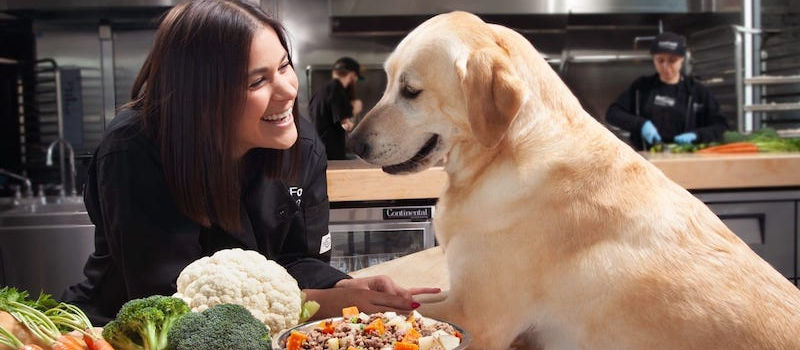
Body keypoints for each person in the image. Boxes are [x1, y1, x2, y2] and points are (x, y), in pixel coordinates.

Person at [61, 0, 436, 325]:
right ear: (201, 98)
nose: (289, 90)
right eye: (257, 82)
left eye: (284, 66)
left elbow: (294, 259)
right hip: (118, 331)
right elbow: (167, 302)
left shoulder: (302, 147)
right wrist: (323, 303)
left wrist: (344, 286)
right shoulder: (135, 150)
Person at [606, 31, 728, 151]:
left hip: (687, 160)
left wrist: (697, 135)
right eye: (660, 60)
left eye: (672, 60)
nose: (665, 66)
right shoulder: (641, 87)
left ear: (682, 59)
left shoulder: (697, 91)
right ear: (653, 59)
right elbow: (612, 113)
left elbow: (720, 127)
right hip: (646, 158)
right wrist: (641, 124)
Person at [309, 57, 364, 160]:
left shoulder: (321, 91)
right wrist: (354, 109)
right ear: (352, 75)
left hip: (319, 152)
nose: (356, 81)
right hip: (332, 154)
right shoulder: (337, 89)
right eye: (356, 77)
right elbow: (346, 125)